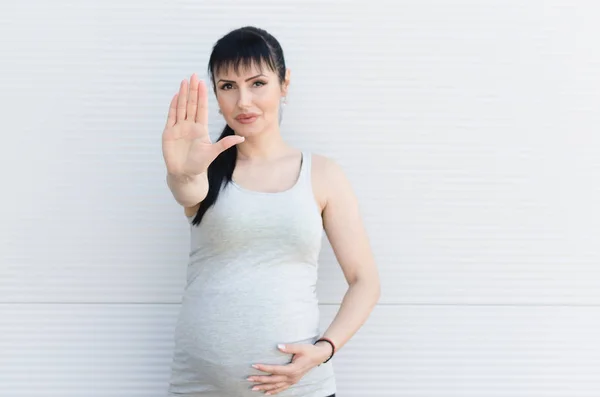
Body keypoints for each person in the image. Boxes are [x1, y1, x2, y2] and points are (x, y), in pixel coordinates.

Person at [162, 26, 380, 397]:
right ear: (215, 96)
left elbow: (365, 281)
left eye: (257, 83)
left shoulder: (322, 174)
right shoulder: (206, 171)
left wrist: (323, 351)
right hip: (200, 387)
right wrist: (182, 171)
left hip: (299, 389)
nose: (243, 101)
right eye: (228, 86)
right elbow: (187, 191)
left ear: (284, 83)